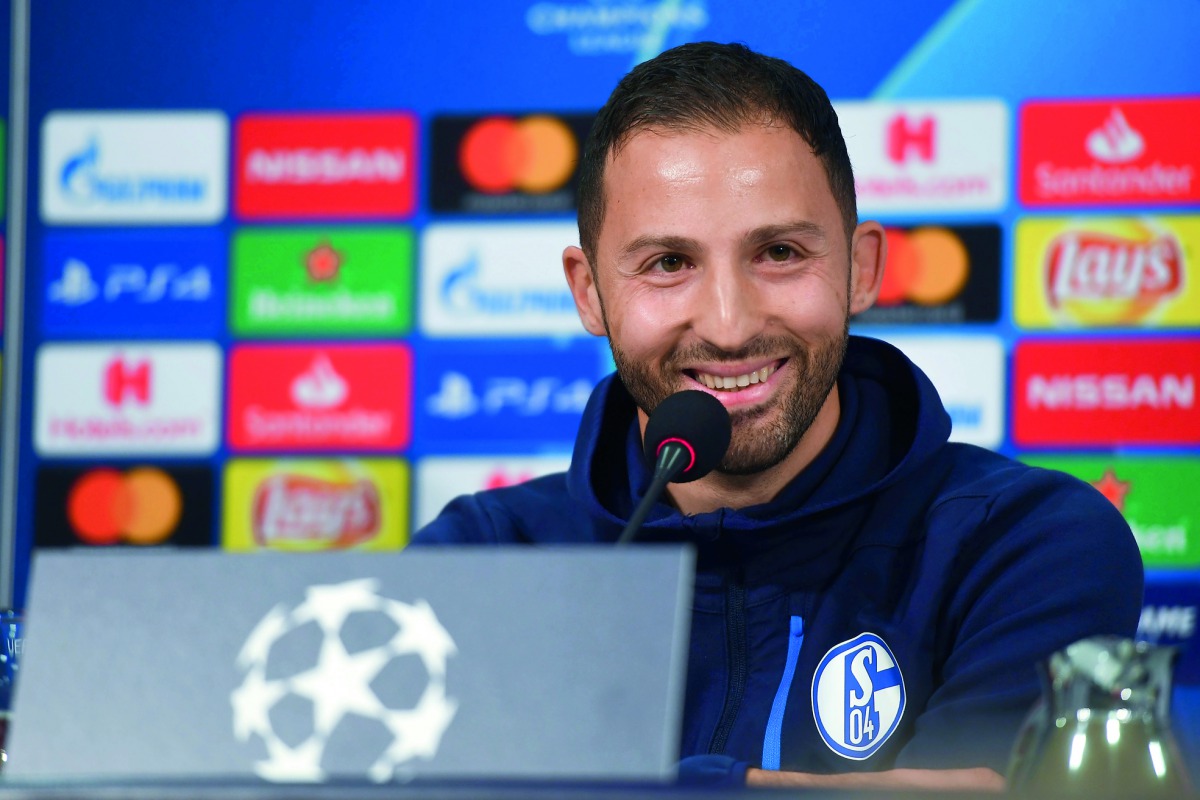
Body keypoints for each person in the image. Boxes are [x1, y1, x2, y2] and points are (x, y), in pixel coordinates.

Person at [412, 41, 1143, 791]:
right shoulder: (485, 560)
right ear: (590, 292)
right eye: (669, 263)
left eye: (781, 252)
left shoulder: (1024, 542)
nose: (729, 325)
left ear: (861, 269)